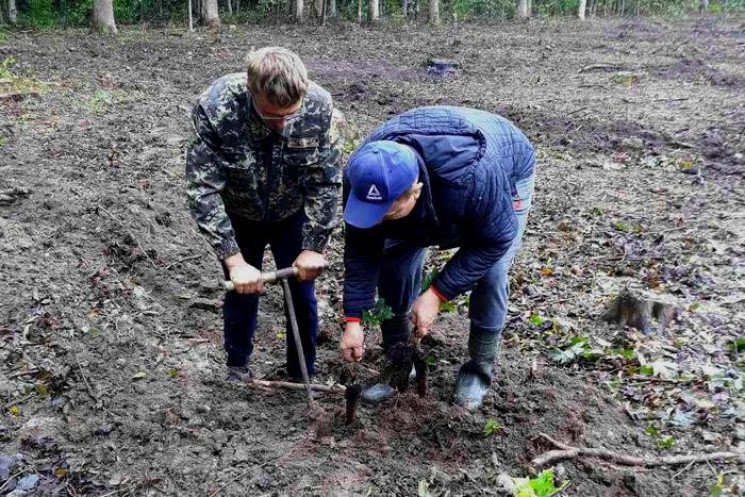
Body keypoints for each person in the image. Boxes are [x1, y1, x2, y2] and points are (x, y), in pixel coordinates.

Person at [339, 106, 535, 409]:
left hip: (504, 168)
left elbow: (494, 241)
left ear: (414, 191)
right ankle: (400, 364)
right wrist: (353, 320)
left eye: (386, 212)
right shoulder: (363, 174)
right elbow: (361, 251)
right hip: (436, 193)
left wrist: (436, 294)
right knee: (393, 258)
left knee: (491, 273)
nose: (376, 221)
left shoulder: (472, 178)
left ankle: (478, 371)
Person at [186, 47, 342, 382]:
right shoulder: (216, 108)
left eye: (291, 115)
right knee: (241, 292)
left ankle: (301, 373)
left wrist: (314, 245)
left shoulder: (318, 106)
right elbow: (202, 189)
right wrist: (234, 260)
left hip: (291, 211)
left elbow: (327, 181)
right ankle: (238, 366)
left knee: (302, 294)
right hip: (241, 212)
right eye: (273, 116)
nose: (283, 125)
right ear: (251, 90)